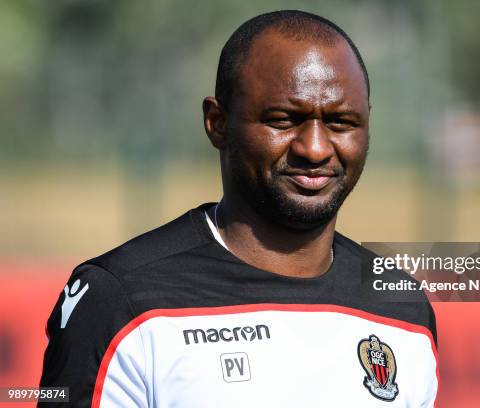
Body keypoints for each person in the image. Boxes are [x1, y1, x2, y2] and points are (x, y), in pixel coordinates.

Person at [40, 10, 438, 407]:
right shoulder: (119, 299)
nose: (315, 148)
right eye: (284, 120)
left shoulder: (404, 309)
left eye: (341, 123)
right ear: (217, 123)